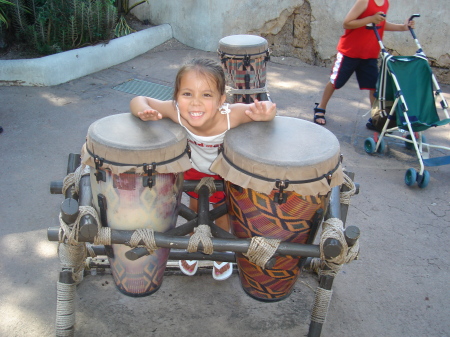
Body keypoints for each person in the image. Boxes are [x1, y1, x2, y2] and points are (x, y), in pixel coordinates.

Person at [130, 58, 277, 280]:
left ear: (221, 100)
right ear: (177, 97)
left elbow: (266, 110)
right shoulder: (176, 111)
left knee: (222, 212)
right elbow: (138, 99)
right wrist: (143, 111)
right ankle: (192, 243)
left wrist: (265, 112)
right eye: (187, 94)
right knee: (194, 207)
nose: (195, 103)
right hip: (193, 169)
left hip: (223, 172)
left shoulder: (232, 115)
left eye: (206, 95)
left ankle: (220, 251)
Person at [313, 0, 415, 125]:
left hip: (370, 55)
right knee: (335, 81)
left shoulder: (385, 3)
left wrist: (403, 27)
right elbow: (347, 23)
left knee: (374, 87)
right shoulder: (364, 2)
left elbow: (380, 24)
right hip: (349, 52)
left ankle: (376, 118)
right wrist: (370, 18)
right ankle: (320, 108)